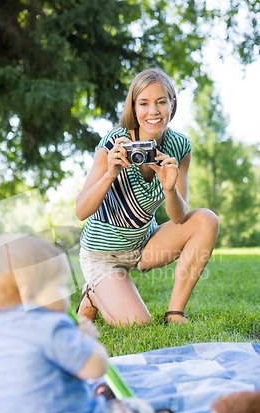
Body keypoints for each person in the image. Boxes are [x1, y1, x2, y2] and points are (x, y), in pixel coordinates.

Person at [0, 234, 165, 413]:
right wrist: (87, 340)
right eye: (58, 286)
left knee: (95, 396)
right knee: (139, 412)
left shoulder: (2, 330)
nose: (66, 294)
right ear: (29, 293)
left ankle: (100, 403)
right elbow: (95, 368)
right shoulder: (51, 326)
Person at [76, 68, 219, 326]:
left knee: (206, 220)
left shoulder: (180, 146)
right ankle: (93, 294)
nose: (153, 111)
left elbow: (178, 217)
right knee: (138, 323)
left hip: (144, 243)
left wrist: (169, 188)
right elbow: (81, 211)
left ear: (172, 104)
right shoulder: (114, 142)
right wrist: (109, 174)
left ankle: (175, 313)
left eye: (161, 102)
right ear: (133, 107)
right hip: (102, 253)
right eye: (144, 103)